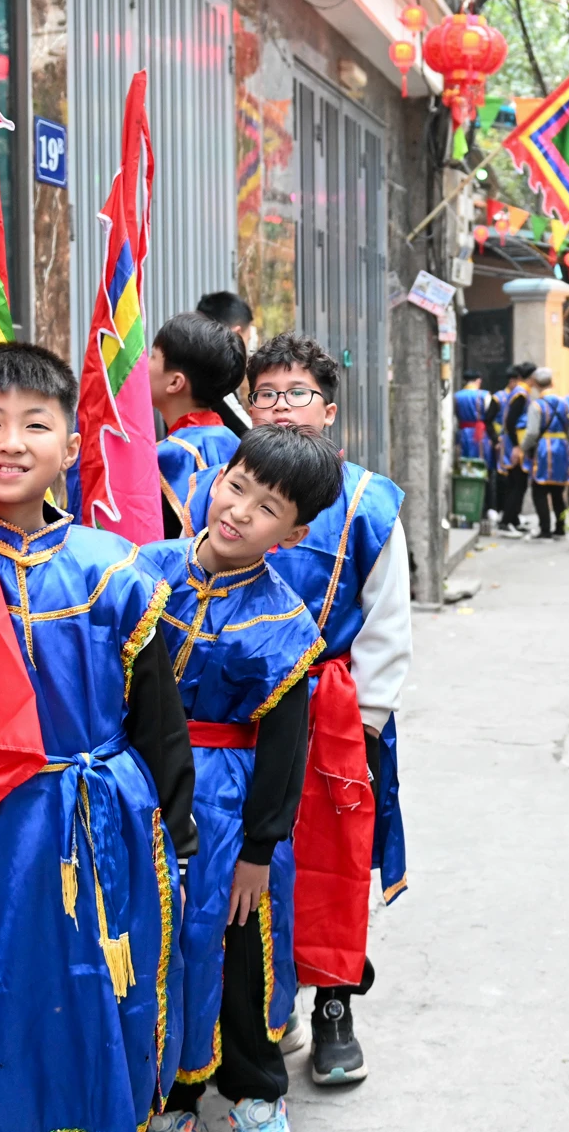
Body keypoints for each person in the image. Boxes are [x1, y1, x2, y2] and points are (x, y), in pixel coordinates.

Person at [0, 343, 195, 1132]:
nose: (10, 441)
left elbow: (157, 721)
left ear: (70, 446)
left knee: (101, 1001)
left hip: (103, 826)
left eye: (36, 423)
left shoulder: (117, 572)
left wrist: (173, 831)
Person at [192, 334, 413, 1090]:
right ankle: (245, 1018)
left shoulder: (368, 500)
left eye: (297, 394)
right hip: (230, 721)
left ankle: (333, 1010)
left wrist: (368, 728)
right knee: (248, 872)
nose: (280, 407)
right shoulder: (226, 485)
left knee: (334, 868)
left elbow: (386, 623)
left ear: (328, 407)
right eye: (266, 394)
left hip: (330, 712)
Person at [144, 426, 342, 1132]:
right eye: (236, 486)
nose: (237, 511)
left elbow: (285, 753)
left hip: (228, 802)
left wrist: (259, 849)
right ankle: (165, 1094)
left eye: (266, 508)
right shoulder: (141, 571)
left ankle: (256, 1083)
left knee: (236, 947)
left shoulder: (285, 620)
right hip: (137, 790)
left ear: (293, 532)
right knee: (151, 941)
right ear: (217, 476)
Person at [152, 312, 247, 537]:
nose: (143, 365)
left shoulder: (169, 454)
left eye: (153, 357)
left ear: (175, 382)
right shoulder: (233, 441)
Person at [522, 366, 569, 539]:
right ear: (552, 382)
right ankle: (560, 528)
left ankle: (545, 529)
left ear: (536, 384)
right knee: (558, 492)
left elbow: (531, 433)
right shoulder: (566, 404)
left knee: (539, 490)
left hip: (543, 450)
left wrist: (523, 448)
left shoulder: (536, 406)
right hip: (561, 449)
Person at [196, 291, 257, 432]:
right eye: (247, 339)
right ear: (236, 335)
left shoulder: (187, 365)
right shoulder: (215, 379)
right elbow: (248, 433)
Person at [496, 362, 536, 536]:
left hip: (515, 444)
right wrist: (517, 447)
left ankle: (513, 520)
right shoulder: (520, 394)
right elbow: (510, 422)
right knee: (517, 484)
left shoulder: (520, 392)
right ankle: (507, 522)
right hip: (515, 445)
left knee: (517, 483)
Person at [453, 372, 493, 472]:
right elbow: (490, 415)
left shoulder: (457, 396)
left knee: (464, 460)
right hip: (480, 433)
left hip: (463, 432)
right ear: (478, 381)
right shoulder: (484, 395)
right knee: (482, 459)